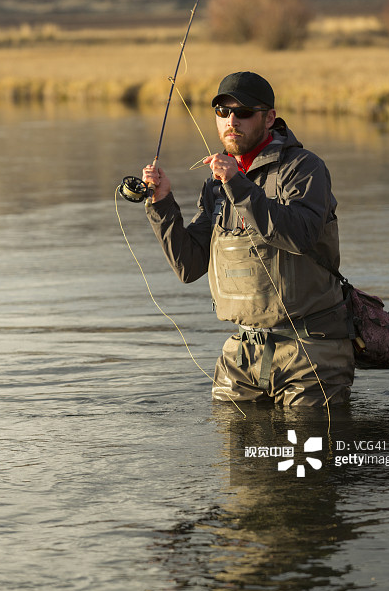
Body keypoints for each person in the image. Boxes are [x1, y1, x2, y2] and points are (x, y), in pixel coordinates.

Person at [142, 71, 354, 406]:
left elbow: (300, 235)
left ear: (269, 118)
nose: (231, 121)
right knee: (235, 458)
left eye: (243, 112)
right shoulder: (216, 183)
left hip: (312, 351)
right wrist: (162, 204)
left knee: (305, 456)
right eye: (222, 112)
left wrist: (238, 186)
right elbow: (189, 265)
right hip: (242, 355)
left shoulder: (303, 167)